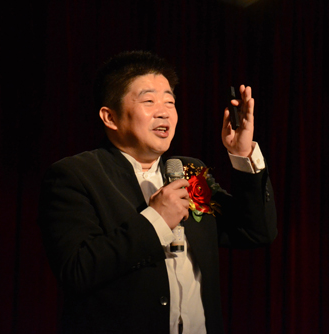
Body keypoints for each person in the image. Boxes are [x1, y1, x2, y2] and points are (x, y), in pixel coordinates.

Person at [38, 51, 277, 334]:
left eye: (170, 102)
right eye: (149, 101)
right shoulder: (76, 175)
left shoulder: (190, 172)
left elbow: (255, 231)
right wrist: (156, 221)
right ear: (110, 117)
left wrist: (242, 154)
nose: (164, 112)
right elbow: (77, 270)